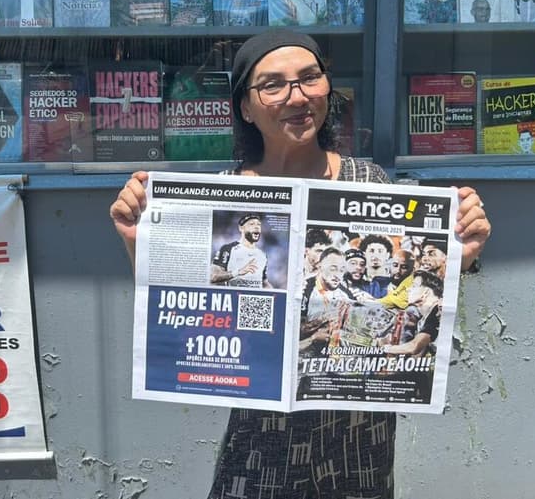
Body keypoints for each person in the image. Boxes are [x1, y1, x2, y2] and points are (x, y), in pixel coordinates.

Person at [109, 28, 491, 499]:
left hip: (359, 435)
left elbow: (406, 298)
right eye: (273, 84)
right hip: (260, 434)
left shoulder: (366, 180)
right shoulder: (224, 193)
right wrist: (137, 241)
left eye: (310, 77)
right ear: (245, 108)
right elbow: (184, 305)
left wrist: (460, 254)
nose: (298, 95)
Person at [210, 213, 271, 288]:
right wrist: (238, 272)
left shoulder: (262, 255)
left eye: (259, 224)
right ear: (241, 228)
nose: (257, 227)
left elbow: (265, 283)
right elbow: (213, 277)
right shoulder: (228, 249)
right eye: (251, 224)